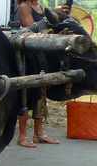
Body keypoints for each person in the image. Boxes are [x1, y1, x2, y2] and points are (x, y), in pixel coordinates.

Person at [15, 0, 61, 148]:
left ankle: (39, 134)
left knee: (41, 93)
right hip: (28, 56)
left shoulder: (41, 7)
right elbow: (31, 30)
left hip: (41, 54)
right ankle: (22, 136)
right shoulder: (24, 7)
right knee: (26, 94)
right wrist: (48, 21)